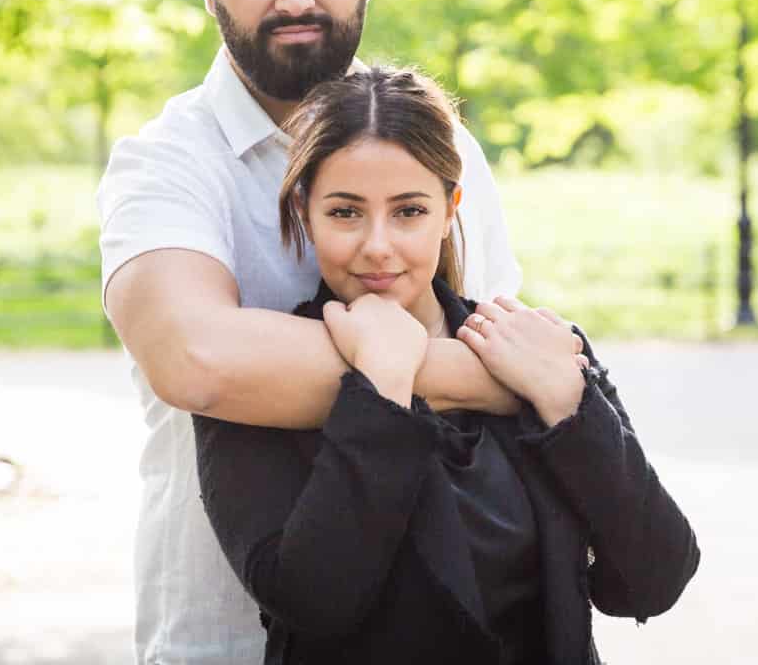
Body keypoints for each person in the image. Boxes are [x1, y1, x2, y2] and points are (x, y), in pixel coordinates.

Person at [97, 0, 526, 663]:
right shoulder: (164, 164)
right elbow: (197, 361)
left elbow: (499, 345)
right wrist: (438, 369)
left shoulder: (448, 148)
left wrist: (503, 376)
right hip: (229, 641)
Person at [194, 66, 700, 665]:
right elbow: (314, 602)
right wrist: (382, 386)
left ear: (450, 207)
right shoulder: (255, 376)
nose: (377, 245)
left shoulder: (534, 348)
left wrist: (569, 404)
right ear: (305, 210)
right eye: (346, 212)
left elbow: (653, 578)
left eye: (408, 211)